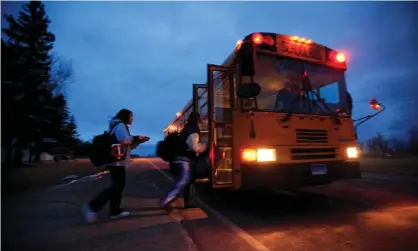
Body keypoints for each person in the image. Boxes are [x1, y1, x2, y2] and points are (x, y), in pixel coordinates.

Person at [82, 109, 149, 223]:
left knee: (118, 186)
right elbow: (124, 139)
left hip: (117, 161)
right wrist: (137, 137)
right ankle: (92, 207)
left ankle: (115, 211)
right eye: (131, 116)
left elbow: (126, 145)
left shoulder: (117, 126)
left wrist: (137, 142)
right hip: (117, 162)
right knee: (117, 186)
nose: (132, 119)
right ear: (125, 116)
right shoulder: (120, 125)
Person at [160, 112, 206, 209]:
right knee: (184, 180)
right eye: (200, 120)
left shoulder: (186, 129)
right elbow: (195, 147)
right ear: (197, 121)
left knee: (189, 180)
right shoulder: (193, 131)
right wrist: (204, 146)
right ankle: (167, 200)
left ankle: (188, 202)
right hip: (184, 159)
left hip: (180, 158)